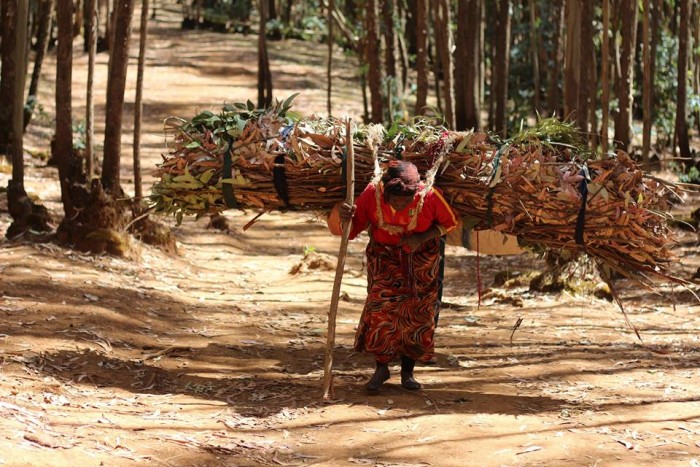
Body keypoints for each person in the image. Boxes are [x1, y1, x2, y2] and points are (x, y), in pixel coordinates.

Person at [328, 160, 458, 391]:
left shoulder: (430, 196)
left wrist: (421, 238)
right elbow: (353, 230)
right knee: (380, 312)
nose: (399, 206)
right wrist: (344, 216)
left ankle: (408, 373)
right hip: (384, 259)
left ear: (416, 193)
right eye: (395, 200)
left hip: (420, 261)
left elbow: (450, 223)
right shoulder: (372, 194)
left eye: (405, 201)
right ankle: (381, 368)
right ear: (385, 193)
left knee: (416, 316)